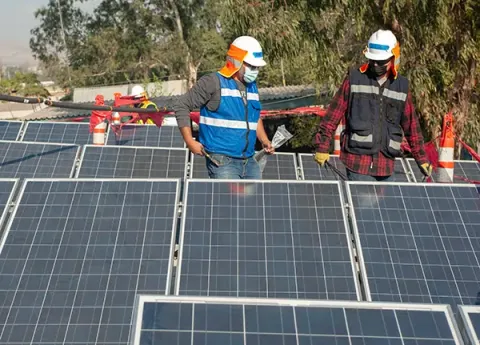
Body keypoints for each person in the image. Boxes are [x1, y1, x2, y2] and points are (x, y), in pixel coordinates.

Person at [313, 29, 432, 181]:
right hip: (357, 165)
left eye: (381, 61)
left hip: (386, 166)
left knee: (386, 206)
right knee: (364, 206)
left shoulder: (401, 86)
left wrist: (421, 159)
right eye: (372, 60)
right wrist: (322, 146)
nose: (376, 64)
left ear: (394, 58)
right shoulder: (354, 79)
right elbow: (332, 116)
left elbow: (412, 127)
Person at [173, 36, 274, 179]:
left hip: (250, 160)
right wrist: (190, 141)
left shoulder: (252, 87)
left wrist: (264, 141)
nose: (255, 70)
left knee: (253, 201)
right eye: (251, 66)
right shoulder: (213, 82)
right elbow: (181, 105)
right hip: (222, 161)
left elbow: (254, 117)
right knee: (227, 201)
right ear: (237, 62)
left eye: (257, 67)